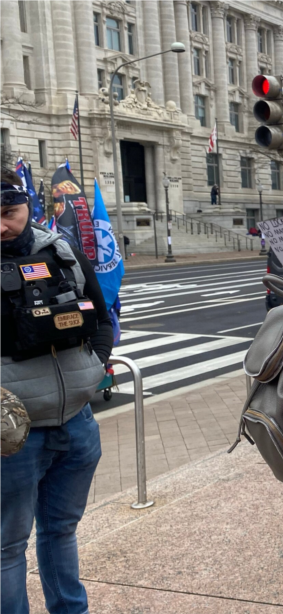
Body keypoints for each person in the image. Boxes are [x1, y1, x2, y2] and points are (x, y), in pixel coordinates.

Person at [0, 168, 113, 614]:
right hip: (13, 438)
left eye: (9, 213)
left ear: (28, 206)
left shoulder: (61, 251)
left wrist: (96, 364)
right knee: (8, 547)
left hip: (77, 423)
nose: (1, 225)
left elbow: (102, 319)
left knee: (61, 531)